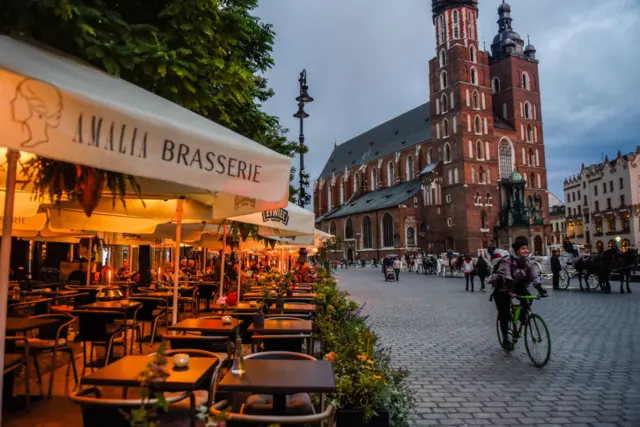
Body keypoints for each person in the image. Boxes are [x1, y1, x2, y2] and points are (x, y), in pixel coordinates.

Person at [490, 237, 548, 351]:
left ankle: (522, 315)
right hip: (503, 287)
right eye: (522, 249)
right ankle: (506, 338)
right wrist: (510, 290)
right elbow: (506, 275)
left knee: (527, 298)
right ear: (516, 250)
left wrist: (540, 288)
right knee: (505, 313)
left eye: (526, 248)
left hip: (517, 285)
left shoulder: (528, 262)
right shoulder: (507, 260)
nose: (525, 251)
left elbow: (534, 275)